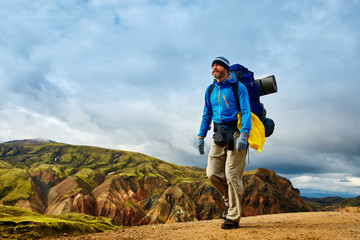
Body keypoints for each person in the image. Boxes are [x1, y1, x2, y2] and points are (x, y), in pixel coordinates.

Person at [197, 56, 251, 229]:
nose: (214, 67)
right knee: (212, 173)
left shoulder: (238, 87)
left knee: (232, 175)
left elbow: (246, 111)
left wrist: (244, 134)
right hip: (218, 135)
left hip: (236, 134)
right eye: (213, 65)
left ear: (226, 69)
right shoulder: (210, 89)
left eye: (218, 65)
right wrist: (200, 136)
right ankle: (229, 202)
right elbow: (206, 114)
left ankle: (233, 217)